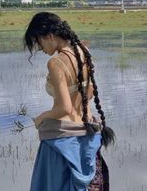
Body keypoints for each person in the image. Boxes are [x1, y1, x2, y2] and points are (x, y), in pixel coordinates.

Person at [24, 12, 115, 191]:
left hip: (62, 139)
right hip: (87, 133)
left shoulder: (56, 62)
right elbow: (88, 93)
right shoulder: (84, 51)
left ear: (49, 36)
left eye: (38, 42)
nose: (40, 48)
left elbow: (64, 108)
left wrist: (41, 117)